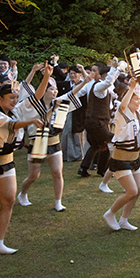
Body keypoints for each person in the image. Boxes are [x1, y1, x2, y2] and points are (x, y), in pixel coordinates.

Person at [0, 66, 49, 254]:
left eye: (16, 97)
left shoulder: (17, 111)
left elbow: (36, 97)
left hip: (6, 163)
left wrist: (46, 76)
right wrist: (31, 122)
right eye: (11, 98)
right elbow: (11, 126)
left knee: (8, 202)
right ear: (0, 99)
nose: (15, 101)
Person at [17, 66, 91, 211]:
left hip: (53, 141)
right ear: (44, 90)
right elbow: (41, 119)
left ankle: (58, 201)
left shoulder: (57, 102)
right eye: (51, 89)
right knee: (33, 176)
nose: (55, 92)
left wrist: (84, 83)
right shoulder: (33, 104)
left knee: (57, 172)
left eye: (56, 89)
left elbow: (71, 94)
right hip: (37, 142)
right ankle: (22, 193)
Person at [103, 79, 140, 231]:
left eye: (139, 99)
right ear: (128, 98)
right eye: (135, 99)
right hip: (121, 159)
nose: (139, 101)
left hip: (134, 158)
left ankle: (124, 220)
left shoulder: (137, 114)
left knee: (137, 191)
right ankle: (110, 213)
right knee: (132, 191)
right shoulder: (121, 112)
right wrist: (132, 88)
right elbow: (124, 104)